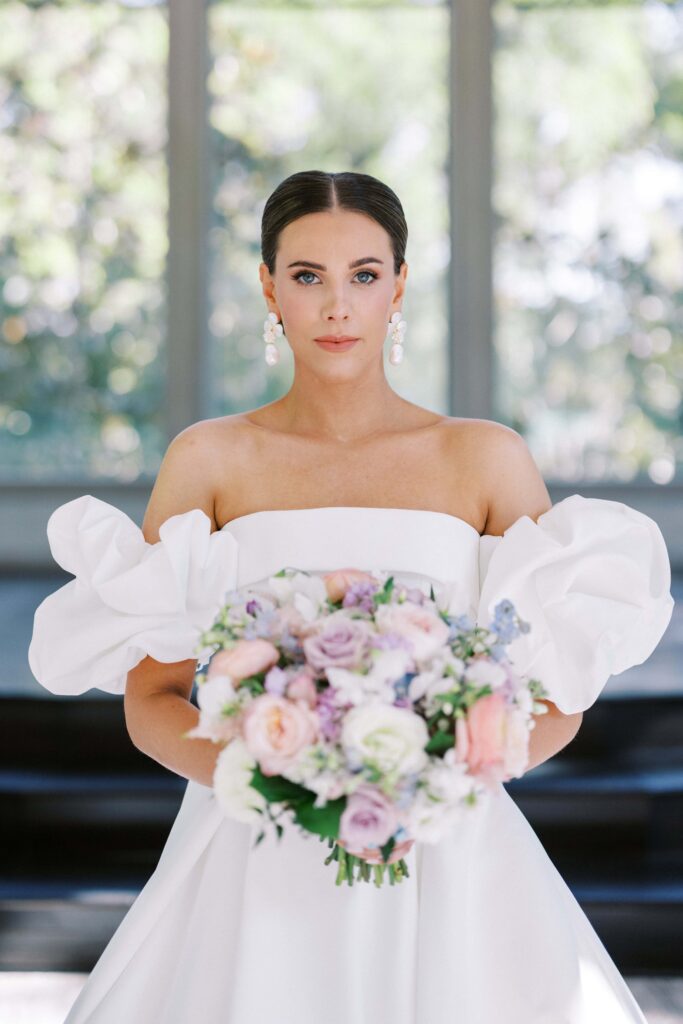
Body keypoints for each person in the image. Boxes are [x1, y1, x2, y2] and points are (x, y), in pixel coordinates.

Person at [29, 169, 674, 1023]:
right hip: (252, 850)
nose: (337, 306)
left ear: (398, 285)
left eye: (363, 276)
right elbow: (151, 695)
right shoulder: (210, 460)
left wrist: (436, 780)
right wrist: (273, 777)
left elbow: (555, 697)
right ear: (269, 286)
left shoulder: (483, 459)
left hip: (446, 850)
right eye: (307, 277)